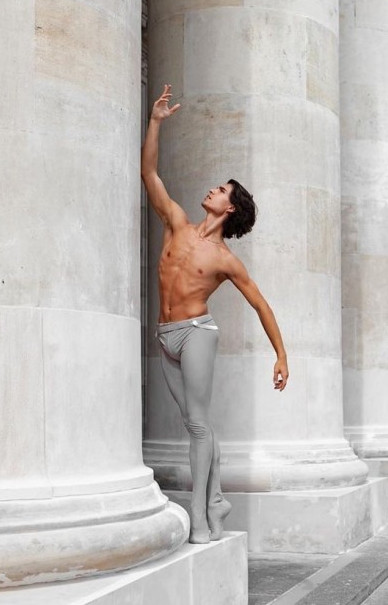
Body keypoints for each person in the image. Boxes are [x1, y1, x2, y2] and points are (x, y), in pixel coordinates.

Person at [141, 84, 289, 544]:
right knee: (194, 423)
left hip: (197, 333)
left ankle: (201, 515)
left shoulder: (225, 260)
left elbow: (261, 303)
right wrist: (156, 122)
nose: (212, 188)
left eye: (221, 189)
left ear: (230, 207)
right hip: (165, 334)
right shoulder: (177, 223)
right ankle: (218, 498)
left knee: (198, 423)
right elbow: (149, 173)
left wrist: (281, 355)